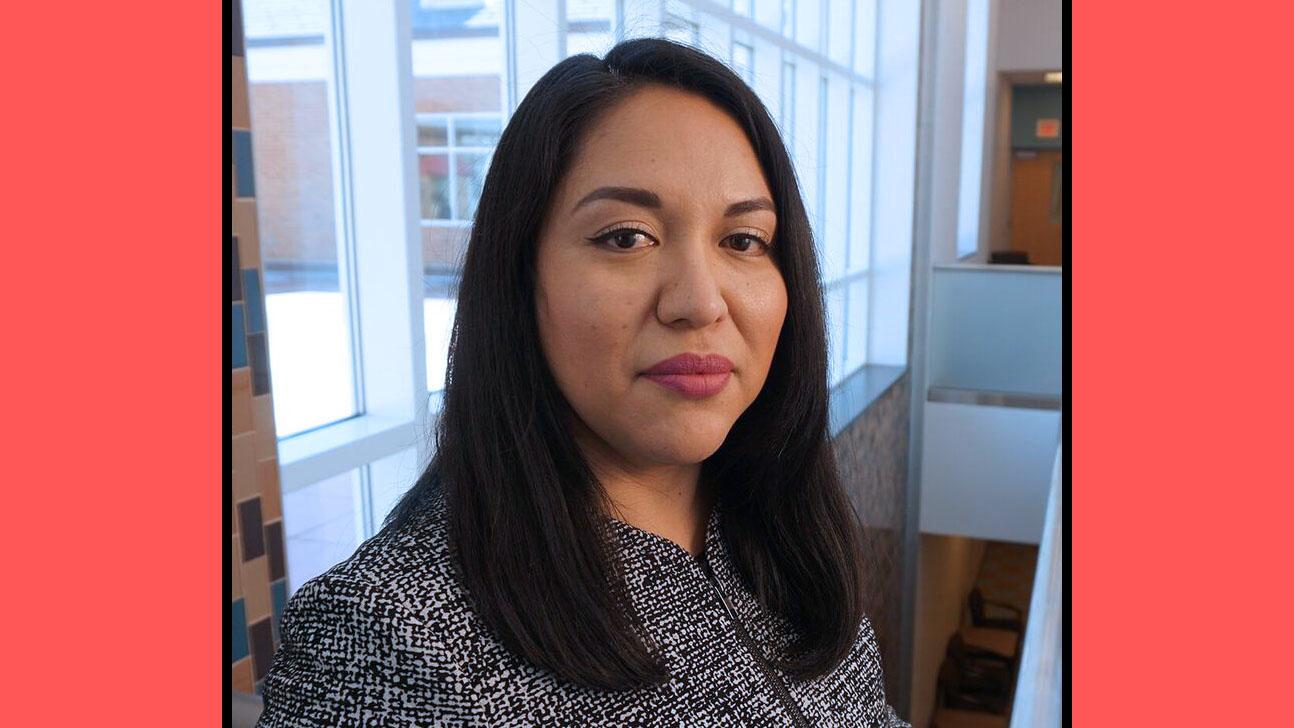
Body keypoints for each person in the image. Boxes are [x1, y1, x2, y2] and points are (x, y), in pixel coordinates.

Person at [257, 38, 908, 727]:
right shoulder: (392, 635)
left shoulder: (782, 537)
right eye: (626, 237)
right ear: (520, 277)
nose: (699, 301)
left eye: (743, 241)